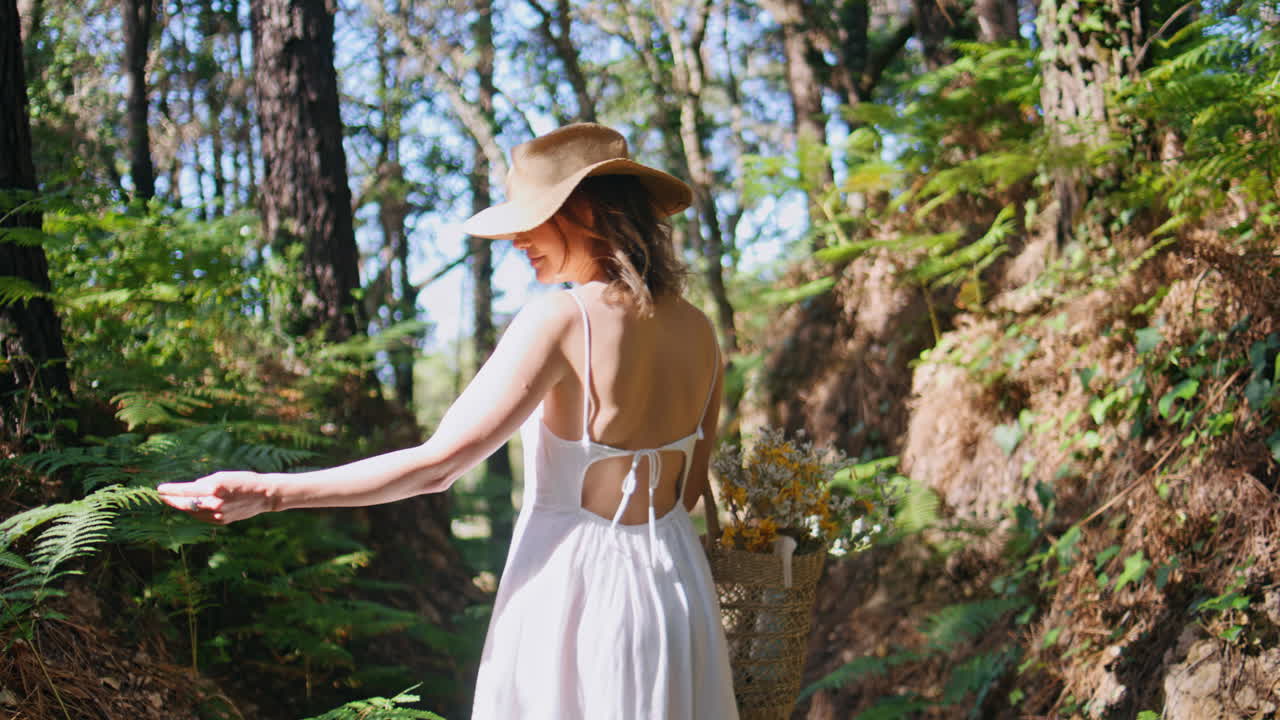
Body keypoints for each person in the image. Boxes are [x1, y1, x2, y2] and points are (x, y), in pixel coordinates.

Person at [158, 123, 740, 719]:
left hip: (578, 598)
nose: (516, 240)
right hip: (678, 595)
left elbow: (436, 467)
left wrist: (271, 491)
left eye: (531, 219)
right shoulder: (701, 332)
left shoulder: (562, 319)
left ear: (588, 211)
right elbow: (688, 491)